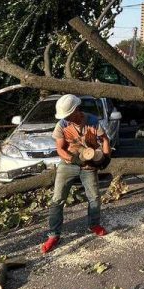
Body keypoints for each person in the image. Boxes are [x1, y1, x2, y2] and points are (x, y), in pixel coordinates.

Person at [42, 94, 111, 254]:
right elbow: (59, 149)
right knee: (57, 199)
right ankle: (54, 235)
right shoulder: (62, 125)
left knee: (94, 197)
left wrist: (106, 157)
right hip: (68, 165)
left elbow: (105, 139)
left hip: (89, 165)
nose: (66, 118)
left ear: (76, 110)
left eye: (68, 115)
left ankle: (94, 224)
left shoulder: (93, 121)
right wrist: (73, 159)